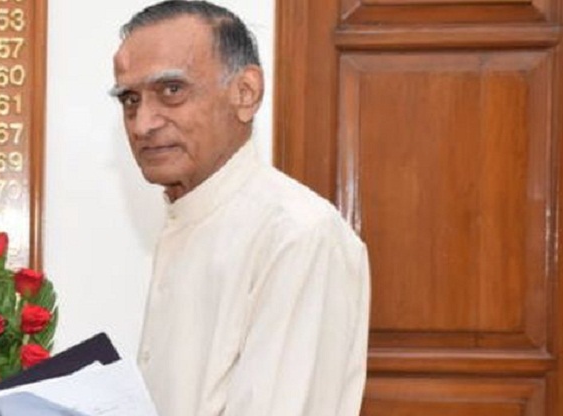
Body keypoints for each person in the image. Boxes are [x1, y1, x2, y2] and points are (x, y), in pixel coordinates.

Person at [111, 1, 370, 415]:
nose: (142, 124)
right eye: (130, 99)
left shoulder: (297, 234)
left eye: (171, 91)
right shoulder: (188, 216)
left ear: (245, 93)